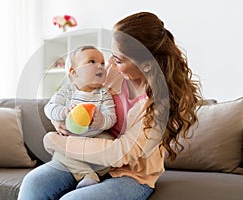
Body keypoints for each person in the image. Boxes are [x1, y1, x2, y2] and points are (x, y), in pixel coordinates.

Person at [18, 11, 201, 200]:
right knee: (34, 183)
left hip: (130, 174)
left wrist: (54, 141)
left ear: (146, 66)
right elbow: (76, 92)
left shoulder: (161, 104)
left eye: (119, 59)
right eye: (112, 54)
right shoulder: (112, 73)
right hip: (86, 161)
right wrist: (60, 119)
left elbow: (119, 153)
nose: (110, 62)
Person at [43, 46, 117, 189]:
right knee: (52, 142)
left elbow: (111, 118)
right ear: (74, 72)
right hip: (71, 141)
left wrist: (102, 121)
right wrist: (64, 112)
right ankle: (88, 175)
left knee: (110, 141)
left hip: (95, 140)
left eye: (102, 63)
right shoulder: (67, 91)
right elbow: (49, 108)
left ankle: (96, 168)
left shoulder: (104, 94)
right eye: (92, 62)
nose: (100, 66)